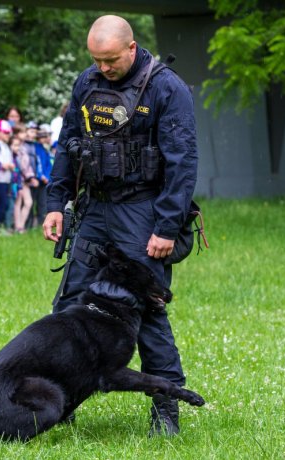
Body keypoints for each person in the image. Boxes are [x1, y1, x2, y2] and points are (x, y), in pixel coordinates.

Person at [42, 15, 198, 436]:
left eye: (110, 60)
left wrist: (167, 226)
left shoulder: (167, 88)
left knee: (145, 309)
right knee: (71, 303)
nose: (104, 68)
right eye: (96, 60)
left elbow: (183, 164)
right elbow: (67, 145)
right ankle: (61, 397)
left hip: (142, 211)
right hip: (95, 209)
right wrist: (55, 202)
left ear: (131, 48)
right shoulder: (86, 82)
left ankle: (166, 408)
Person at [0, 120, 15, 231]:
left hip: (6, 179)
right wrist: (4, 166)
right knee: (1, 204)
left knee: (4, 204)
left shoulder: (6, 146)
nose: (8, 135)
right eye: (5, 132)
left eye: (9, 133)